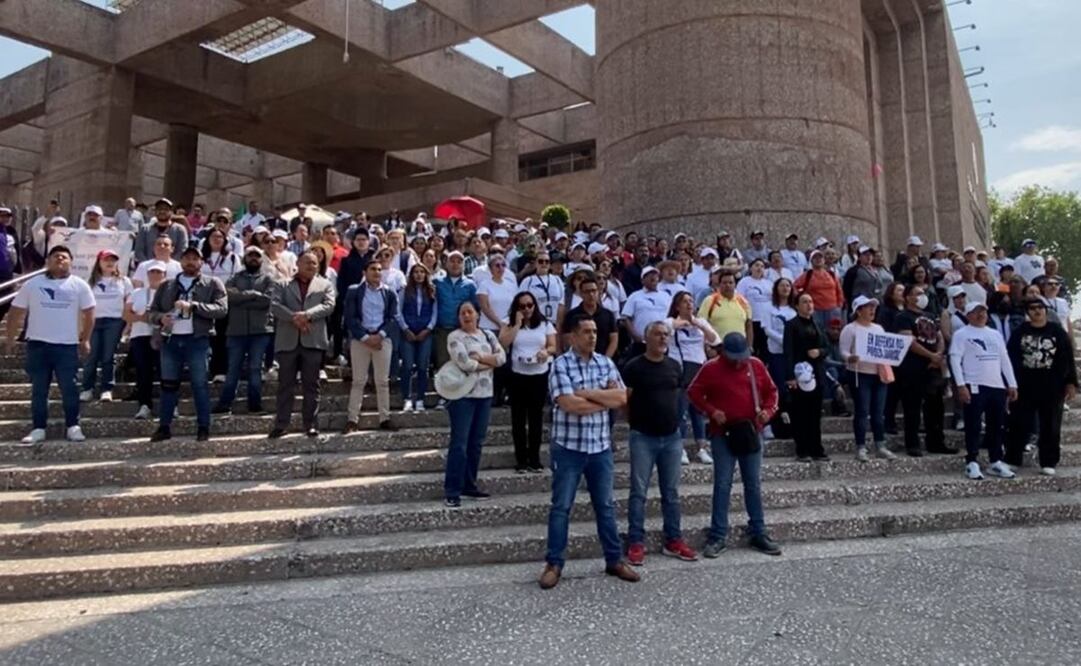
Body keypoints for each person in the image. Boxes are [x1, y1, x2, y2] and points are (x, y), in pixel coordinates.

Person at [539, 318, 637, 590]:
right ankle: (554, 563)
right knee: (561, 507)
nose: (592, 336)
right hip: (568, 448)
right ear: (572, 336)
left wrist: (586, 394)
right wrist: (603, 399)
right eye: (586, 332)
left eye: (595, 331)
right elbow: (570, 405)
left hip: (599, 447)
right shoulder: (561, 365)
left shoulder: (606, 363)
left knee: (605, 506)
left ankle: (614, 560)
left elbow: (622, 398)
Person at [688, 332, 782, 558]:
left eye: (742, 357)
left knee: (753, 484)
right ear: (723, 353)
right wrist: (712, 411)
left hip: (750, 430)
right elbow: (693, 392)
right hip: (723, 433)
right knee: (722, 484)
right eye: (734, 358)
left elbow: (772, 392)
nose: (739, 362)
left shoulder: (756, 365)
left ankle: (758, 531)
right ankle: (718, 535)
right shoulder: (711, 368)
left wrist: (767, 412)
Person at [622, 321, 699, 566]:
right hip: (643, 436)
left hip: (671, 436)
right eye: (657, 334)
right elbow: (625, 399)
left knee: (671, 492)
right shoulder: (633, 367)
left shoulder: (674, 366)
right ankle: (636, 541)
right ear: (647, 338)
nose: (663, 338)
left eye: (666, 334)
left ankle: (673, 539)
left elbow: (679, 396)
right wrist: (634, 423)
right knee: (638, 492)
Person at [7, 245, 95, 444]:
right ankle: (38, 428)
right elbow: (16, 311)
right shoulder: (33, 284)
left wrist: (86, 339)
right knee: (39, 389)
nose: (60, 259)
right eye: (55, 256)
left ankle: (73, 426)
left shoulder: (80, 285)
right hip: (38, 345)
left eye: (64, 257)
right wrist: (10, 338)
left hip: (66, 345)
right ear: (48, 261)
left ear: (71, 262)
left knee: (69, 388)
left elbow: (90, 313)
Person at [148, 247, 228, 442]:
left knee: (200, 385)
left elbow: (222, 309)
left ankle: (203, 427)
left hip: (197, 339)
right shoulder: (166, 285)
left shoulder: (213, 283)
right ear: (181, 261)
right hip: (171, 340)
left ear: (201, 262)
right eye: (187, 258)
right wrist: (161, 318)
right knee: (168, 385)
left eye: (195, 258)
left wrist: (195, 306)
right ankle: (164, 427)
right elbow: (152, 312)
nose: (190, 262)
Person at [1005, 298, 1079, 476]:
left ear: (1046, 310)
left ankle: (1049, 461)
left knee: (1051, 425)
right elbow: (1010, 358)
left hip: (1052, 386)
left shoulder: (1058, 332)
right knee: (1018, 422)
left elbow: (1068, 358)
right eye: (1032, 308)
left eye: (1040, 307)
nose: (1037, 311)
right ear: (1027, 312)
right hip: (1025, 385)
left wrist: (1071, 382)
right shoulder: (1019, 332)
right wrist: (1009, 383)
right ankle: (1012, 458)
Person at [444, 301, 506, 507]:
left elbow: (502, 358)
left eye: (470, 312)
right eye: (462, 313)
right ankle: (452, 490)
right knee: (459, 444)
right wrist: (489, 363)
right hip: (463, 396)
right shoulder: (455, 337)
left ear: (478, 315)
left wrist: (482, 358)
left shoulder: (488, 335)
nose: (466, 315)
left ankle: (469, 484)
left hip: (485, 395)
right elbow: (466, 364)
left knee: (476, 443)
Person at [269, 252, 335, 439]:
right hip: (288, 341)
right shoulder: (282, 284)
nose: (311, 265)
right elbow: (275, 305)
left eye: (314, 263)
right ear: (297, 263)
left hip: (313, 341)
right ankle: (281, 424)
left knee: (312, 385)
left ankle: (311, 424)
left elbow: (329, 305)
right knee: (285, 385)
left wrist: (307, 315)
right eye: (307, 262)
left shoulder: (325, 284)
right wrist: (294, 318)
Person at [949, 301, 1018, 480]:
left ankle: (995, 460)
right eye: (976, 312)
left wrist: (1011, 383)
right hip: (974, 384)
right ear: (968, 315)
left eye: (983, 312)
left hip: (996, 385)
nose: (981, 315)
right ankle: (972, 461)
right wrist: (961, 385)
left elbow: (1004, 359)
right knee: (973, 424)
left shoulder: (995, 334)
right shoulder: (962, 334)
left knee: (997, 425)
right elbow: (955, 359)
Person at [213, 246, 276, 416]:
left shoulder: (268, 279)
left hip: (260, 331)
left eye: (257, 256)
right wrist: (253, 294)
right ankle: (225, 404)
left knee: (255, 369)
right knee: (233, 368)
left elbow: (267, 301)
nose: (253, 258)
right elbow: (229, 296)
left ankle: (255, 405)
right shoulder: (234, 278)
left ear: (262, 259)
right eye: (250, 256)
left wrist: (242, 298)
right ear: (244, 259)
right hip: (236, 331)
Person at [499, 291, 557, 473]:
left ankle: (534, 458)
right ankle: (521, 459)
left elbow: (553, 346)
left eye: (530, 305)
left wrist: (545, 352)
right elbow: (503, 343)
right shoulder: (508, 322)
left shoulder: (545, 324)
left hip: (539, 374)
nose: (526, 309)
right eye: (522, 306)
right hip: (518, 374)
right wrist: (517, 324)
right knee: (518, 418)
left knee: (536, 418)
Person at [894, 284, 954, 457]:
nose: (922, 296)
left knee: (936, 407)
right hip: (913, 367)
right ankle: (913, 444)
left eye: (923, 293)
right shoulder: (903, 317)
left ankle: (936, 442)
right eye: (918, 293)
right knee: (912, 407)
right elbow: (908, 342)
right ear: (908, 297)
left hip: (933, 368)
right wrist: (930, 355)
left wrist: (938, 355)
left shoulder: (930, 316)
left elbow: (939, 336)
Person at [840, 295, 898, 462]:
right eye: (868, 307)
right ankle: (861, 447)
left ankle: (880, 445)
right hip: (859, 374)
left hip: (878, 374)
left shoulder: (878, 328)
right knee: (862, 411)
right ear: (858, 311)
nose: (872, 310)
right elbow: (843, 350)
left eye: (873, 307)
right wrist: (850, 357)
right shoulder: (850, 329)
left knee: (878, 412)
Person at [343, 260, 399, 433]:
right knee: (358, 381)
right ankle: (352, 420)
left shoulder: (389, 292)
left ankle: (385, 418)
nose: (377, 272)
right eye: (373, 269)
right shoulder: (354, 291)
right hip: (360, 340)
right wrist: (366, 337)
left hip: (382, 340)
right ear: (364, 272)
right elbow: (350, 317)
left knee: (382, 382)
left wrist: (380, 335)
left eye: (379, 269)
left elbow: (393, 317)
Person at [665, 290, 719, 465]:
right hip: (680, 369)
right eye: (685, 301)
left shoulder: (700, 322)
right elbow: (664, 330)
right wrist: (681, 323)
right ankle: (679, 447)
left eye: (691, 301)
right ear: (677, 306)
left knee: (698, 411)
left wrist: (698, 325)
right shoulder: (670, 322)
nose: (689, 304)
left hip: (698, 368)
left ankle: (702, 448)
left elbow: (715, 340)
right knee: (681, 411)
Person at [79, 249, 132, 403]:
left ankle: (106, 389)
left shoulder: (124, 281)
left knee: (109, 356)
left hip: (114, 321)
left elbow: (128, 304)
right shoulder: (90, 282)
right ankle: (87, 388)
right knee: (91, 356)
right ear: (99, 262)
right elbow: (83, 306)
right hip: (93, 322)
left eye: (113, 260)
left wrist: (128, 325)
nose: (109, 263)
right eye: (106, 260)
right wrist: (81, 327)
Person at [783, 293, 829, 461]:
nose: (809, 305)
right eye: (804, 302)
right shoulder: (791, 325)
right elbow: (788, 351)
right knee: (800, 413)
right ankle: (802, 449)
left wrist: (819, 352)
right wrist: (790, 376)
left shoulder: (817, 324)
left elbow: (826, 347)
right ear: (797, 306)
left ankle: (816, 448)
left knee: (815, 414)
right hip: (799, 373)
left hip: (816, 372)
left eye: (810, 301)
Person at [124, 261, 165, 420]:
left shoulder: (169, 293)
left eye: (158, 272)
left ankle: (170, 405)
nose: (155, 275)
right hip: (140, 335)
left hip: (162, 335)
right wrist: (143, 318)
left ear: (164, 275)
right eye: (152, 272)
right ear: (147, 275)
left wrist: (157, 319)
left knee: (165, 371)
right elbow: (126, 315)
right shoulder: (137, 293)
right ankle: (144, 405)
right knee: (143, 371)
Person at [201, 227, 241, 383]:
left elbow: (236, 278)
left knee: (221, 337)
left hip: (223, 301)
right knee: (203, 336)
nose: (217, 239)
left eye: (220, 237)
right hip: (203, 301)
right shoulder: (201, 257)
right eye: (213, 236)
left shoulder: (232, 258)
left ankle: (220, 370)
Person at [433, 252, 479, 385]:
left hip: (462, 331)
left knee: (462, 363)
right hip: (443, 330)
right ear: (446, 264)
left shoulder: (470, 284)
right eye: (452, 261)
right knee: (443, 364)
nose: (455, 264)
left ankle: (461, 392)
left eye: (459, 262)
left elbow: (475, 307)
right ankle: (444, 392)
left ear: (463, 265)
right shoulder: (437, 282)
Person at [398, 261, 437, 412]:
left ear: (426, 274)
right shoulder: (404, 290)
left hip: (425, 333)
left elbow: (435, 312)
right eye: (416, 272)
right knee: (407, 365)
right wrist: (405, 329)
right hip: (408, 332)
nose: (419, 275)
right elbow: (398, 311)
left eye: (422, 272)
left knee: (422, 366)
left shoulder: (431, 291)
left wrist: (428, 329)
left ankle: (420, 398)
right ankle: (407, 398)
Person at [621, 266, 672, 358]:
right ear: (642, 280)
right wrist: (635, 336)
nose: (653, 277)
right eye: (648, 275)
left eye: (655, 275)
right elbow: (626, 318)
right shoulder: (634, 296)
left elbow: (672, 315)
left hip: (662, 341)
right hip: (641, 342)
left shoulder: (666, 296)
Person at [562, 276, 619, 358]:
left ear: (598, 292)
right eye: (587, 291)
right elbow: (568, 339)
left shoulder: (608, 314)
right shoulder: (571, 315)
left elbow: (614, 340)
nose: (591, 294)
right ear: (581, 294)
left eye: (594, 291)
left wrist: (605, 359)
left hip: (604, 359)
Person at [794, 250, 844, 330]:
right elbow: (794, 287)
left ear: (824, 260)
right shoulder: (807, 275)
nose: (818, 259)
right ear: (811, 261)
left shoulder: (831, 274)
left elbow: (839, 290)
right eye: (815, 258)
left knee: (833, 333)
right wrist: (802, 301)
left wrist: (839, 306)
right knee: (817, 332)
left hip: (833, 310)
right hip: (815, 311)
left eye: (820, 257)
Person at [698, 270, 752, 343]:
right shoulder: (710, 300)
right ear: (719, 285)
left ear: (735, 285)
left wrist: (749, 346)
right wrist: (706, 346)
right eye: (724, 283)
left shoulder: (744, 302)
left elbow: (749, 326)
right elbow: (701, 324)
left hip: (740, 347)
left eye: (730, 282)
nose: (728, 285)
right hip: (717, 346)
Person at [736, 258, 774, 359]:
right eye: (757, 265)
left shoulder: (769, 283)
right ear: (751, 268)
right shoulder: (744, 282)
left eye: (762, 266)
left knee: (766, 350)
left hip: (767, 321)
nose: (759, 268)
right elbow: (739, 299)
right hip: (752, 321)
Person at [518, 251, 565, 327]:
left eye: (547, 261)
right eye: (541, 261)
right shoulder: (528, 281)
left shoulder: (557, 280)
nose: (544, 264)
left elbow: (562, 303)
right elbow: (520, 302)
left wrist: (560, 324)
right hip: (536, 323)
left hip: (555, 323)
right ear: (536, 263)